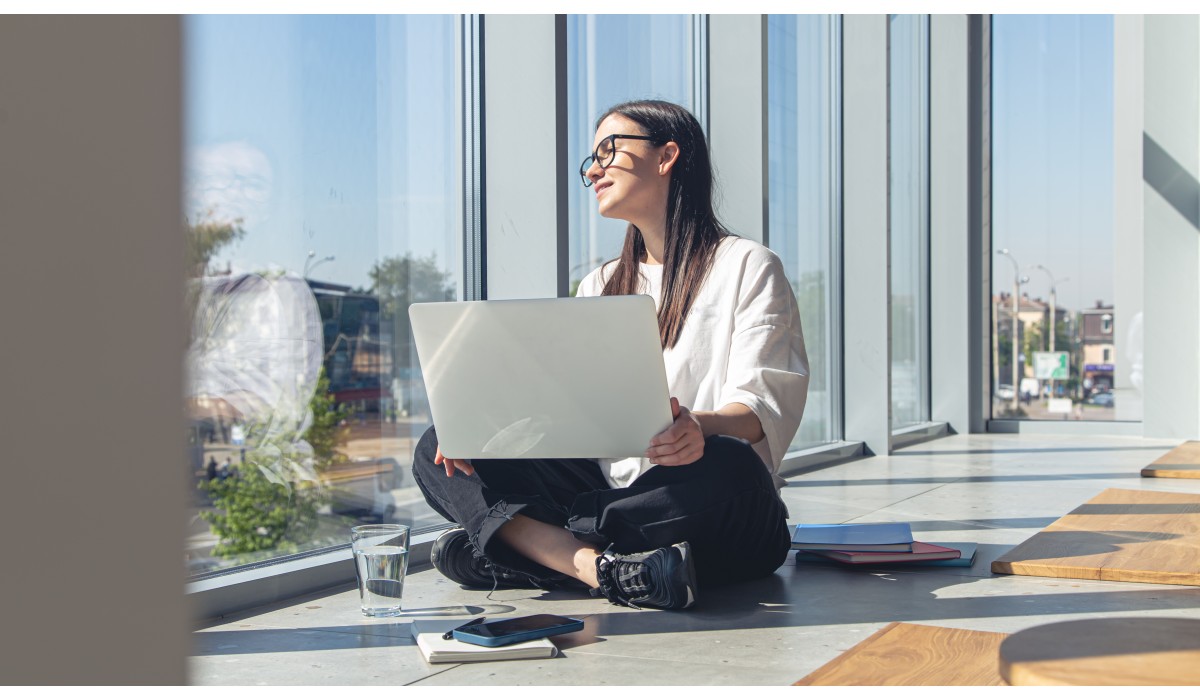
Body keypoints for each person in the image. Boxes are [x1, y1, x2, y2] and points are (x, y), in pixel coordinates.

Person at [411, 99, 809, 610]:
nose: (594, 169)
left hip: (696, 501)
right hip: (607, 487)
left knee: (733, 468)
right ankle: (601, 569)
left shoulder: (748, 266)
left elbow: (762, 408)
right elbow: (566, 412)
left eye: (608, 150)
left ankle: (524, 548)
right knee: (437, 448)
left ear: (667, 156)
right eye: (590, 161)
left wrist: (697, 428)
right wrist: (481, 432)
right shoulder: (599, 284)